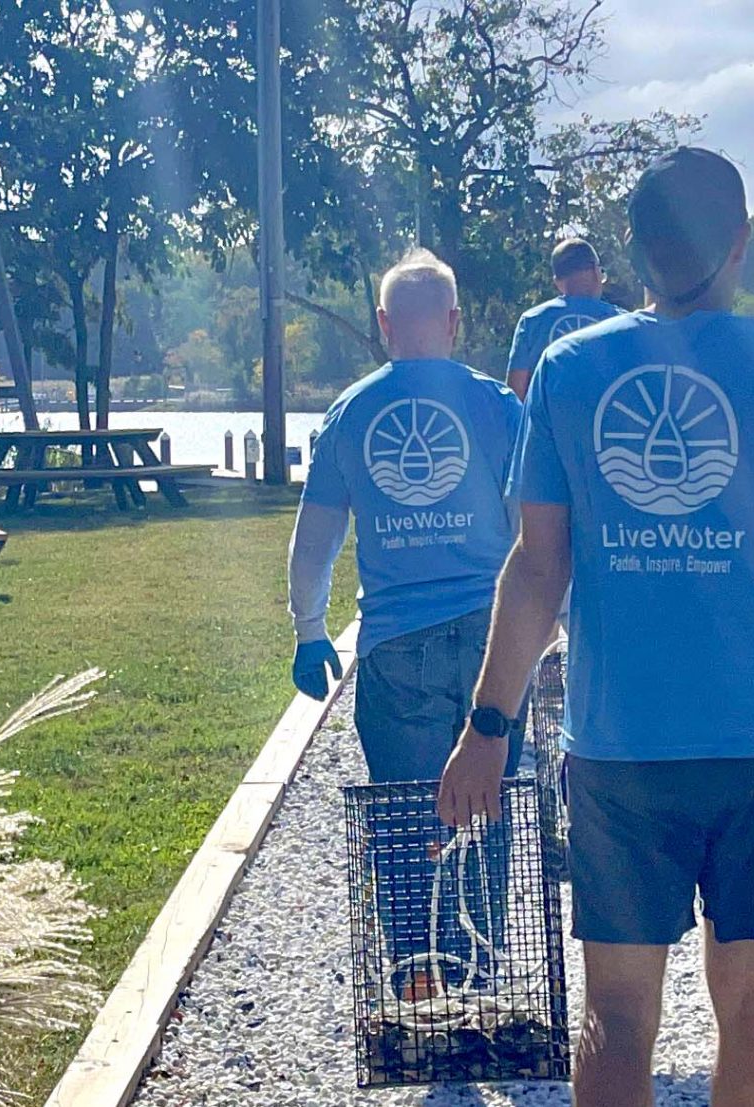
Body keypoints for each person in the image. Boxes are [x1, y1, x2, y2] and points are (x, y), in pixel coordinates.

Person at [437, 148, 754, 1107]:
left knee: (618, 1014)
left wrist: (486, 729)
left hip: (623, 750)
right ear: (741, 242)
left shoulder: (571, 370)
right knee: (751, 1001)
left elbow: (538, 566)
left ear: (636, 251)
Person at [287, 247, 526, 987]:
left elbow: (315, 538)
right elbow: (536, 537)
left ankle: (420, 978)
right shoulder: (499, 407)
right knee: (487, 806)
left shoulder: (351, 412)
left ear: (383, 323)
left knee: (402, 816)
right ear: (454, 321)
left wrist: (309, 627)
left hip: (397, 644)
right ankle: (483, 971)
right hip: (494, 641)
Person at [505, 237, 623, 401]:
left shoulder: (532, 320)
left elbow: (515, 394)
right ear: (596, 272)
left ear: (557, 282)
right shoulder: (622, 321)